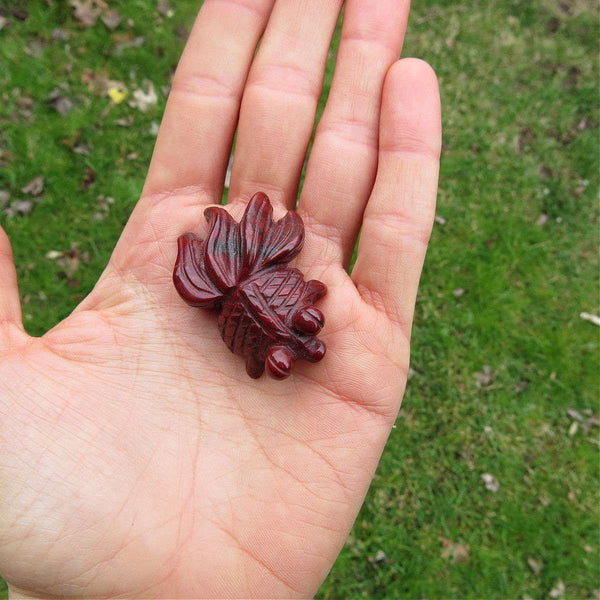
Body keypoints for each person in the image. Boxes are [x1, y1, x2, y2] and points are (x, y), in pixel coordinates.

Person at [0, 0, 441, 597]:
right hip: (251, 293)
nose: (301, 343)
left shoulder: (286, 299)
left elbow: (303, 306)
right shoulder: (254, 308)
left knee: (299, 327)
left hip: (261, 285)